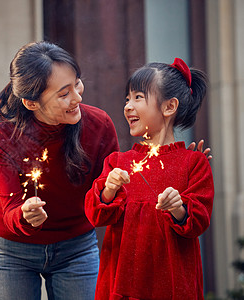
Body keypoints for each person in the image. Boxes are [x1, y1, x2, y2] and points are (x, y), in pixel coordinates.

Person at [0, 41, 120, 299]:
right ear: (31, 103)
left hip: (77, 248)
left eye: (77, 83)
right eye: (64, 94)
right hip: (12, 252)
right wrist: (26, 216)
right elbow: (12, 207)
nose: (78, 98)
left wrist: (111, 191)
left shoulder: (99, 125)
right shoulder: (0, 134)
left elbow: (110, 200)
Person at [84, 58, 214, 299]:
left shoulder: (193, 163)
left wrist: (178, 208)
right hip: (121, 286)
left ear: (169, 107)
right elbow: (96, 215)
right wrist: (109, 188)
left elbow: (198, 223)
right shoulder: (117, 162)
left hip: (172, 289)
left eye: (138, 98)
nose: (128, 106)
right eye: (127, 99)